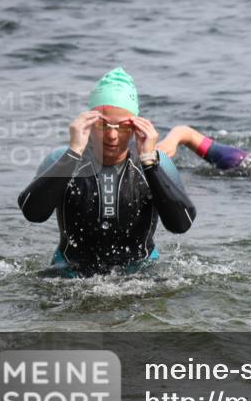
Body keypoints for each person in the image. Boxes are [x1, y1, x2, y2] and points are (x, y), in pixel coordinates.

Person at [18, 68, 196, 276]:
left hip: (141, 272)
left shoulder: (157, 164)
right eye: (103, 125)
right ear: (88, 124)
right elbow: (33, 213)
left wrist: (149, 163)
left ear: (135, 127)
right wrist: (74, 153)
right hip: (69, 271)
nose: (112, 135)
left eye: (122, 127)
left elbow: (181, 224)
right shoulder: (62, 159)